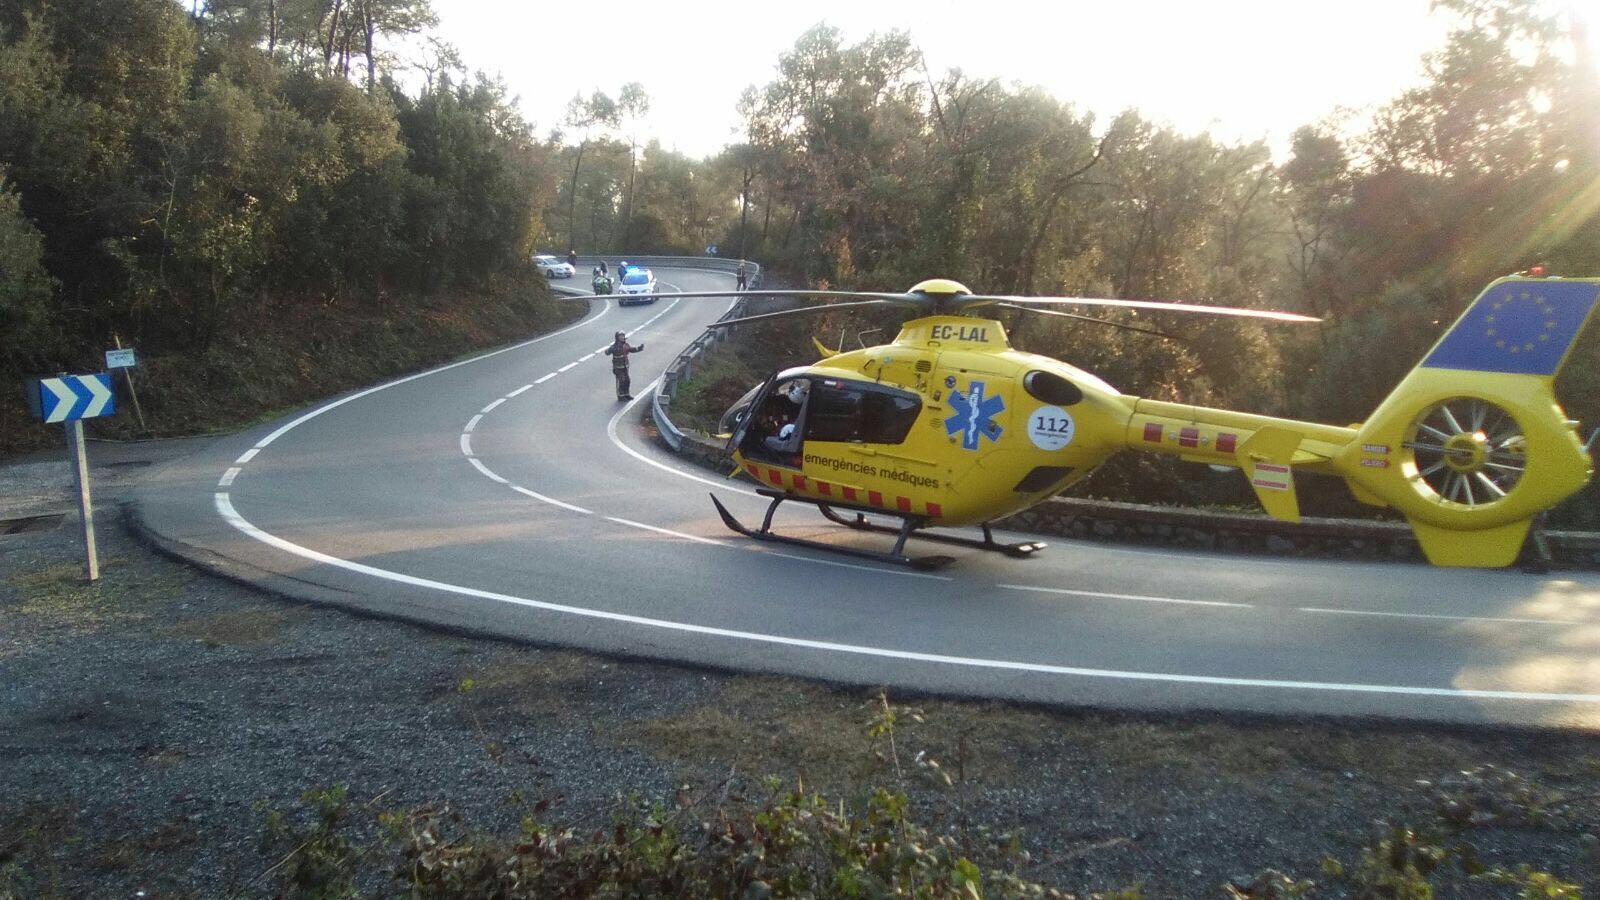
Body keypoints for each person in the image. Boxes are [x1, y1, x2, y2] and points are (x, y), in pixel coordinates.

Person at [603, 330, 643, 400]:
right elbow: (607, 352)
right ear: (617, 337)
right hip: (618, 367)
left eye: (623, 336)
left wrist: (639, 348)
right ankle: (620, 396)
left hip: (625, 366)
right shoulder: (614, 346)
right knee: (621, 380)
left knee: (627, 380)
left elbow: (631, 349)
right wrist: (610, 350)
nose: (622, 337)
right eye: (620, 336)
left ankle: (626, 394)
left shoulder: (626, 345)